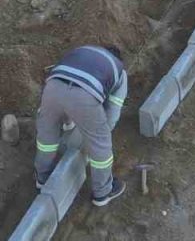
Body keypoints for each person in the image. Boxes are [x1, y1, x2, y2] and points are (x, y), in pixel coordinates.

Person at [33, 45, 128, 207]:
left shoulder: (82, 51)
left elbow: (66, 86)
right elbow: (112, 114)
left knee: (47, 137)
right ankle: (103, 192)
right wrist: (97, 135)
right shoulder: (120, 71)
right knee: (101, 146)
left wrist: (69, 121)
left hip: (52, 88)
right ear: (118, 59)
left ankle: (42, 178)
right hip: (84, 97)